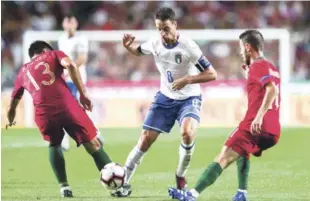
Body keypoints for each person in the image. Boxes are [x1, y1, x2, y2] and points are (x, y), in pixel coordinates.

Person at [111, 7, 217, 197]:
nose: (163, 33)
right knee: (145, 139)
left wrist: (187, 79)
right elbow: (139, 51)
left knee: (187, 133)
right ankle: (123, 183)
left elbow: (212, 73)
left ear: (175, 25)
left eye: (166, 28)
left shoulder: (188, 46)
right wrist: (129, 47)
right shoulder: (154, 43)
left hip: (189, 98)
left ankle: (180, 176)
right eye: (159, 29)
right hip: (165, 97)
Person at [168, 29, 281, 201]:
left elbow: (272, 90)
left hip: (256, 124)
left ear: (248, 47)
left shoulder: (258, 66)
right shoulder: (270, 67)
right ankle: (242, 193)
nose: (241, 52)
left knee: (223, 156)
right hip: (273, 130)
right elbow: (266, 88)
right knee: (243, 151)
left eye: (242, 48)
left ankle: (192, 194)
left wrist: (258, 117)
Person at [6, 41, 112, 198]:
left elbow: (12, 105)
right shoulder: (53, 54)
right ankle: (117, 185)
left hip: (43, 114)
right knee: (93, 143)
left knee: (54, 144)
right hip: (66, 106)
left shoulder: (22, 71)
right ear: (44, 50)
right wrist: (83, 94)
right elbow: (71, 66)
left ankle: (64, 187)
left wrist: (11, 120)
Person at [58, 15, 103, 150]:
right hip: (65, 79)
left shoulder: (81, 39)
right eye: (67, 21)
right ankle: (65, 141)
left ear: (76, 23)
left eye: (72, 21)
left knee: (79, 108)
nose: (70, 24)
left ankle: (95, 133)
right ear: (63, 24)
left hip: (77, 79)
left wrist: (69, 68)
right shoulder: (61, 40)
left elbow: (83, 59)